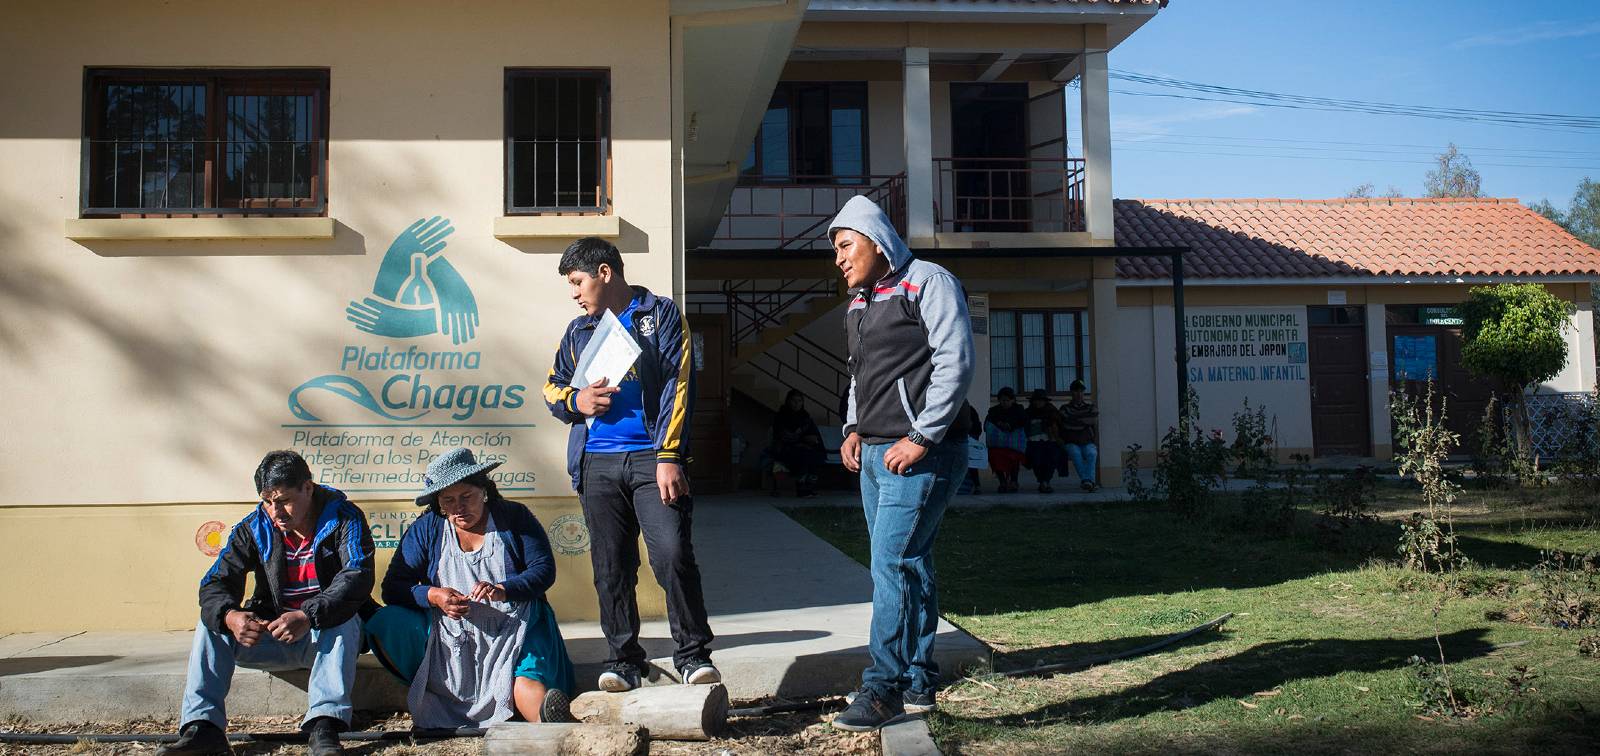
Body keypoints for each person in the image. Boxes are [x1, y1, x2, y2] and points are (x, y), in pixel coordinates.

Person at [541, 237, 718, 691]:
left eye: (578, 281)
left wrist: (669, 455)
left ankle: (693, 655)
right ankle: (623, 660)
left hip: (651, 460)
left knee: (673, 554)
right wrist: (576, 400)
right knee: (610, 567)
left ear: (605, 272)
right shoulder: (578, 330)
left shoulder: (658, 314)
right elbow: (551, 389)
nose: (574, 293)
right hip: (596, 464)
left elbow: (680, 386)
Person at [828, 195, 975, 731]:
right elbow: (858, 375)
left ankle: (882, 688)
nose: (840, 259)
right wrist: (852, 428)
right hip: (874, 450)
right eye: (836, 251)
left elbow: (955, 362)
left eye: (846, 246)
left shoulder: (928, 281)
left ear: (876, 239)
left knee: (890, 563)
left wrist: (921, 436)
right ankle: (916, 677)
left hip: (922, 452)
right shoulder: (860, 302)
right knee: (909, 563)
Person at [159, 451, 374, 756]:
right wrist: (231, 616)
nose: (276, 511)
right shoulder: (254, 527)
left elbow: (357, 577)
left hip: (323, 639)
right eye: (267, 501)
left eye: (285, 500)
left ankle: (325, 728)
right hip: (274, 637)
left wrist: (306, 616)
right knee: (212, 623)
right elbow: (215, 582)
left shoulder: (344, 518)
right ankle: (204, 729)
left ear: (308, 488)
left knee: (345, 618)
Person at [365, 448, 577, 729]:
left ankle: (548, 722)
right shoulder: (427, 528)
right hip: (453, 634)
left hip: (516, 624)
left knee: (523, 680)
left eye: (466, 497)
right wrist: (434, 595)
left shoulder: (514, 517)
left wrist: (504, 589)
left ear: (484, 491)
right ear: (438, 503)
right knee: (384, 621)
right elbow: (393, 588)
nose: (458, 508)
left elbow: (543, 570)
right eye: (448, 500)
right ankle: (444, 693)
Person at [770, 389, 826, 497]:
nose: (797, 404)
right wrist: (802, 439)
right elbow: (783, 436)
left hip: (804, 447)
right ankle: (802, 488)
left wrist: (810, 439)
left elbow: (813, 434)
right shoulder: (781, 416)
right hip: (785, 449)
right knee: (803, 455)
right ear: (788, 401)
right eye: (794, 400)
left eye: (800, 401)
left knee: (816, 454)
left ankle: (809, 487)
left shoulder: (805, 417)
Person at [984, 387, 1028, 493]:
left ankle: (1013, 481)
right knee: (994, 456)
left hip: (1014, 444)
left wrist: (1010, 425)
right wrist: (999, 424)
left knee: (1014, 457)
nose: (1005, 403)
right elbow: (987, 424)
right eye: (1002, 400)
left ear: (1012, 400)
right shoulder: (994, 411)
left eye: (1007, 400)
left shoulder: (1019, 409)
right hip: (998, 444)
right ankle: (1002, 481)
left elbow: (1023, 422)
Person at [1059, 379, 1100, 492]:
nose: (1079, 394)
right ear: (1071, 393)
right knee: (1075, 453)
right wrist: (1083, 421)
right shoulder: (1065, 408)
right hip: (1071, 442)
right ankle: (1089, 481)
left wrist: (1075, 419)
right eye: (1076, 391)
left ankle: (1087, 481)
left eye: (1081, 391)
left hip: (1087, 441)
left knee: (1092, 453)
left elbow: (1092, 420)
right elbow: (1066, 424)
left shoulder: (1090, 407)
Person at [1025, 389, 1064, 494]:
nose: (1038, 403)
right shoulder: (1028, 413)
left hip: (1050, 441)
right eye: (1036, 400)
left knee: (1052, 458)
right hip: (1032, 442)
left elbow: (1059, 426)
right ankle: (1043, 481)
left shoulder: (1052, 412)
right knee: (1036, 459)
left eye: (1040, 400)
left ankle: (1045, 481)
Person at [959, 401, 983, 494]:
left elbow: (977, 429)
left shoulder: (969, 410)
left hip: (968, 441)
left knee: (972, 464)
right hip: (956, 441)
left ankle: (977, 485)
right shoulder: (950, 410)